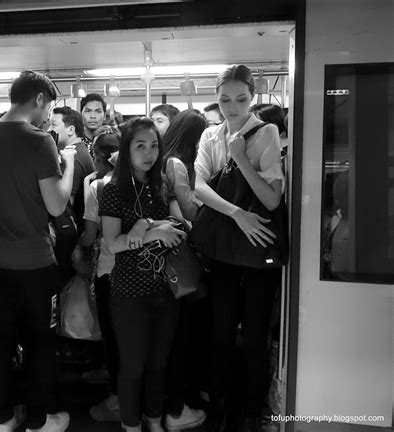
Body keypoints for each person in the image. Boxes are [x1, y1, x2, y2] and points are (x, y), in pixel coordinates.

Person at [0, 70, 73, 432]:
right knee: (39, 343)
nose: (49, 116)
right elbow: (57, 205)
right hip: (34, 263)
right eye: (51, 107)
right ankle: (40, 419)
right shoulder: (39, 140)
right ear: (40, 100)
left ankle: (1, 418)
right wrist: (71, 166)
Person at [194, 64, 285, 432]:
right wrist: (238, 215)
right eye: (225, 99)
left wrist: (240, 157)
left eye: (241, 99)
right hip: (228, 241)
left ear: (253, 97)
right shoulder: (209, 134)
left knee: (255, 331)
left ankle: (251, 409)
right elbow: (199, 187)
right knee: (220, 330)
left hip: (257, 246)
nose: (232, 107)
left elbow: (272, 198)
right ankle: (221, 404)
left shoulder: (266, 132)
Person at [100, 117, 186, 432]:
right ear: (126, 150)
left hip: (166, 288)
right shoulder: (114, 189)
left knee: (158, 364)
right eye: (140, 146)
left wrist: (146, 223)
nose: (148, 153)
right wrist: (150, 229)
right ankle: (131, 424)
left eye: (153, 146)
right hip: (128, 293)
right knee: (133, 365)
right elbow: (112, 243)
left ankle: (153, 418)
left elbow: (180, 228)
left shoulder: (161, 182)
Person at [161, 109, 208, 431]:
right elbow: (188, 207)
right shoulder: (177, 164)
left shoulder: (162, 158)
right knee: (182, 337)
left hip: (162, 260)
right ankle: (177, 408)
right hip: (180, 258)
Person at [79, 131, 121, 422]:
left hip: (109, 271)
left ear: (103, 158)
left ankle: (117, 399)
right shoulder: (147, 182)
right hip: (143, 274)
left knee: (112, 336)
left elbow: (90, 234)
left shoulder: (101, 187)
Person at [48, 106, 95, 282]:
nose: (49, 130)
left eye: (53, 124)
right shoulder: (80, 151)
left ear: (71, 129)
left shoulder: (73, 159)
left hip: (71, 238)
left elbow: (65, 206)